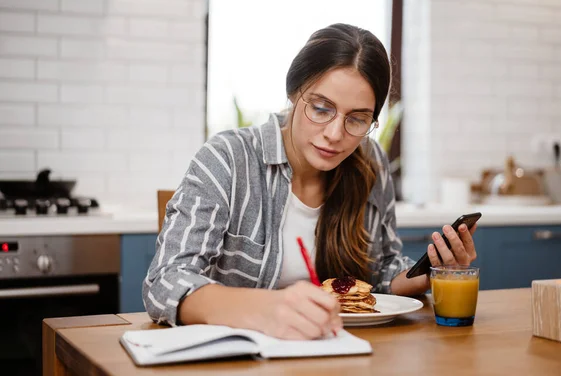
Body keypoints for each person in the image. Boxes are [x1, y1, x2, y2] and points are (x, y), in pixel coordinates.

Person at [143, 23, 477, 340]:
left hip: (344, 351)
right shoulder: (228, 158)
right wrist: (268, 308)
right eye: (320, 109)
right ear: (293, 93)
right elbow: (165, 282)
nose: (335, 135)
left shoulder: (370, 162)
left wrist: (433, 271)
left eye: (357, 119)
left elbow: (381, 273)